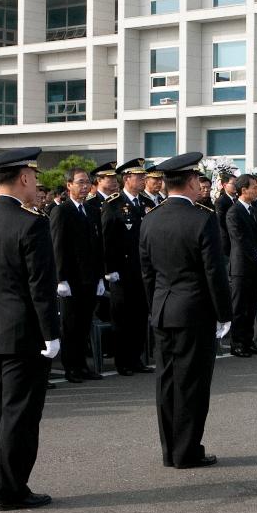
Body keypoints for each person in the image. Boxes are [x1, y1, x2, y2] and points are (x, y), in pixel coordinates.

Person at [0, 147, 59, 510]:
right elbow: (41, 287)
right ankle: (12, 489)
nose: (36, 184)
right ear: (23, 178)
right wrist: (51, 333)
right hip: (23, 332)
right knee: (19, 413)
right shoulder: (32, 223)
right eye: (34, 177)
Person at [138, 152, 232, 469]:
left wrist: (157, 305)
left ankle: (170, 450)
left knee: (167, 383)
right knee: (192, 384)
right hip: (194, 312)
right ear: (192, 182)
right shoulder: (202, 219)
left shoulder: (150, 219)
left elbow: (147, 272)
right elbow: (215, 273)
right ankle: (187, 451)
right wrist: (224, 313)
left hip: (164, 310)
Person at [49, 166, 106, 382]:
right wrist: (60, 278)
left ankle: (82, 365)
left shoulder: (92, 210)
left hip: (89, 277)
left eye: (87, 182)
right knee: (70, 325)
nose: (85, 186)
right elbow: (58, 246)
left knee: (84, 324)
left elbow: (97, 245)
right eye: (80, 182)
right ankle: (71, 367)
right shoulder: (61, 211)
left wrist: (100, 275)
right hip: (71, 279)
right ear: (69, 185)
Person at [102, 159, 153, 376]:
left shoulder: (145, 203)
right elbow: (106, 238)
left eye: (144, 177)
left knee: (140, 316)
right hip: (121, 271)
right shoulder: (113, 203)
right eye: (139, 177)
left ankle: (136, 358)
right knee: (122, 318)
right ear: (127, 178)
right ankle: (123, 361)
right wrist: (109, 267)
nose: (143, 180)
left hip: (141, 270)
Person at [224, 174, 257, 357]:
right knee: (240, 307)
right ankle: (238, 343)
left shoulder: (254, 210)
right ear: (244, 190)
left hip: (254, 265)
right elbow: (239, 239)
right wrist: (255, 253)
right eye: (253, 187)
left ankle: (248, 341)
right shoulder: (234, 212)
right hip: (241, 267)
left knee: (251, 306)